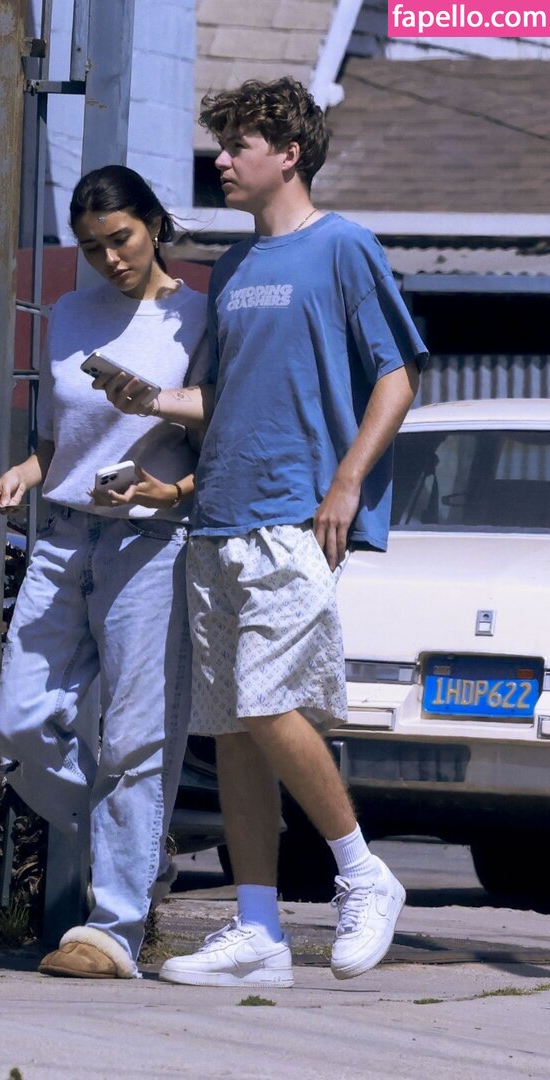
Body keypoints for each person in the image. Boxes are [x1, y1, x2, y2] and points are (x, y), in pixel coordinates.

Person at [97, 77, 426, 988]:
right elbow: (224, 398)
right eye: (223, 144)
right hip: (215, 520)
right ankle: (258, 930)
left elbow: (398, 377)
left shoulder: (342, 246)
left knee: (267, 705)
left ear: (289, 153)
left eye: (239, 144)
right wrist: (149, 400)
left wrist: (346, 483)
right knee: (234, 730)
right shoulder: (235, 267)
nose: (222, 160)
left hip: (294, 517)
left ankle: (363, 872)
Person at [0, 165, 208, 980]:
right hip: (63, 536)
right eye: (91, 248)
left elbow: (225, 425)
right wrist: (24, 473)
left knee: (135, 738)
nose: (110, 258)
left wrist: (170, 489)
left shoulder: (197, 317)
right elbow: (62, 440)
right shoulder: (70, 315)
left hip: (151, 540)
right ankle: (137, 842)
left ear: (155, 225)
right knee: (19, 722)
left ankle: (113, 927)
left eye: (121, 238)